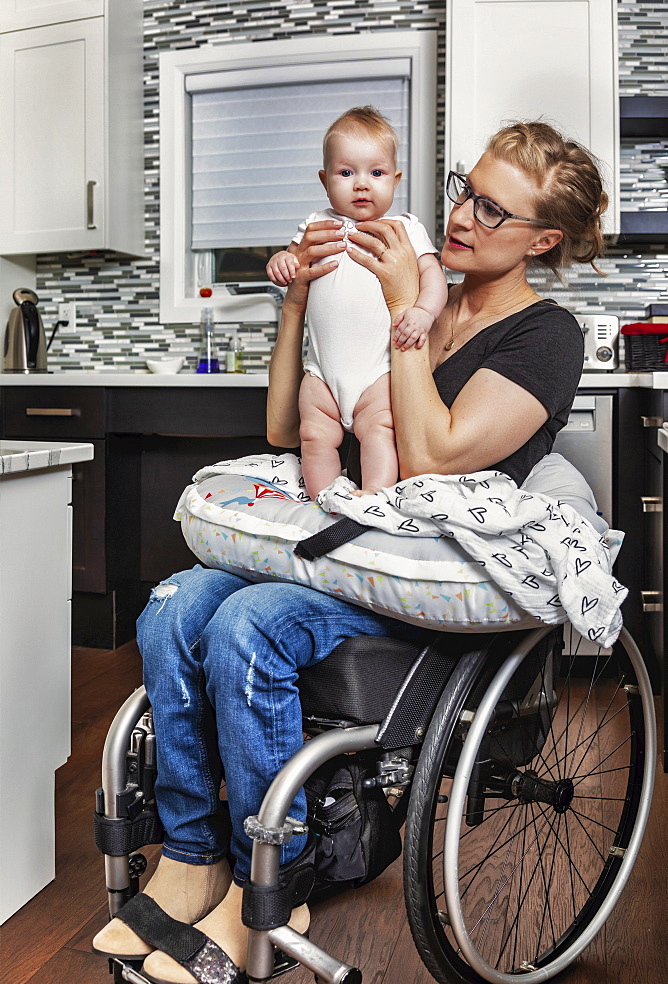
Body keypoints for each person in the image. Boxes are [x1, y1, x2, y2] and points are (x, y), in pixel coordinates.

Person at [93, 121, 606, 984]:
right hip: (344, 541)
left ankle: (277, 873)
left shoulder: (543, 338)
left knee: (250, 623)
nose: (463, 215)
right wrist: (297, 304)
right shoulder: (397, 279)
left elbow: (436, 453)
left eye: (493, 207)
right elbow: (285, 427)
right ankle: (192, 856)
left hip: (426, 574)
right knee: (175, 603)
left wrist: (410, 308)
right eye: (461, 188)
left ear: (543, 239)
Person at [265, 106, 449, 498]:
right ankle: (325, 501)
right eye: (346, 173)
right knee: (313, 435)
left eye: (376, 173)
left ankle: (373, 499)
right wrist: (282, 261)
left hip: (377, 372)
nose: (361, 184)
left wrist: (423, 311)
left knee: (380, 431)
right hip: (321, 374)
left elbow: (435, 277)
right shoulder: (316, 226)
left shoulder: (404, 229)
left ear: (396, 180)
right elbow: (293, 258)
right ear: (324, 180)